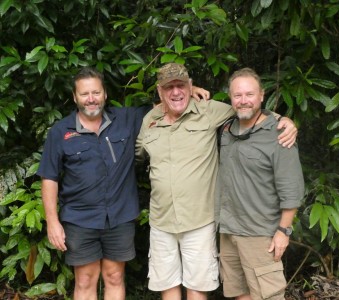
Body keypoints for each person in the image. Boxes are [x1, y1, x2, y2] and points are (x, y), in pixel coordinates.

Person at [36, 66, 210, 300]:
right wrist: (52, 222)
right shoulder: (61, 132)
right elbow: (49, 177)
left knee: (115, 277)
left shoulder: (127, 119)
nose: (91, 99)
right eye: (85, 94)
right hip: (80, 218)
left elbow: (168, 103)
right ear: (75, 97)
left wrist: (191, 88)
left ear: (105, 94)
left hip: (119, 216)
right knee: (85, 279)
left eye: (96, 93)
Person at [135, 63, 298, 300]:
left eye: (181, 85)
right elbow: (137, 155)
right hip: (162, 220)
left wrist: (285, 120)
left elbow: (249, 110)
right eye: (168, 88)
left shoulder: (209, 110)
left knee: (198, 285)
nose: (175, 92)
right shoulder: (150, 119)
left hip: (199, 220)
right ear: (159, 92)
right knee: (167, 283)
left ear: (190, 87)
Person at [215, 67, 305, 300]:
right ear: (230, 98)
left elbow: (291, 188)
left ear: (262, 95)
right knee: (238, 293)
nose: (243, 101)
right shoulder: (227, 129)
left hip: (260, 235)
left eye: (249, 94)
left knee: (268, 296)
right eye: (237, 95)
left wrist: (283, 231)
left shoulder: (279, 134)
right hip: (229, 230)